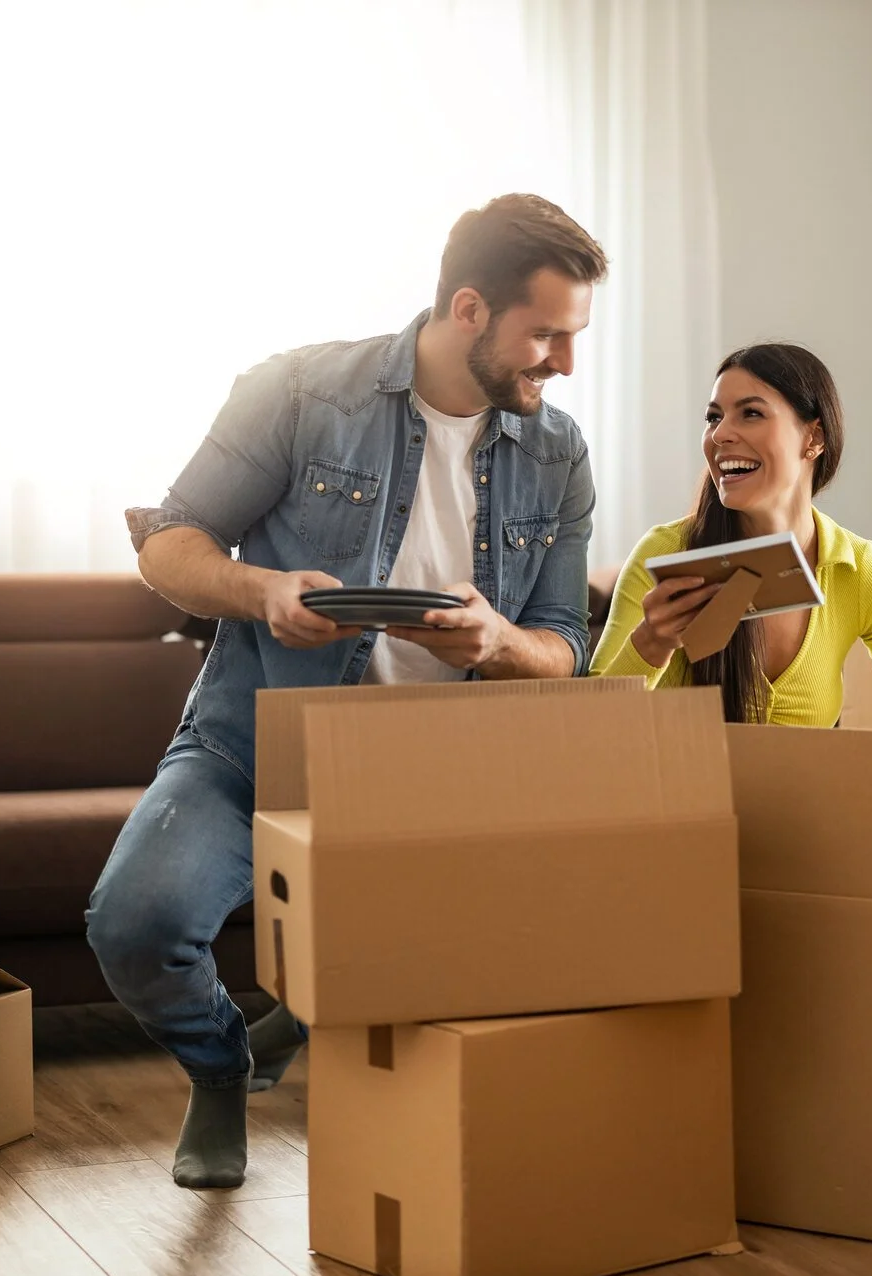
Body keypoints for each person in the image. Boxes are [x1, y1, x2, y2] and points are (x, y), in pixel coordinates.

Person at [88, 194, 607, 1188]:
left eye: (574, 336)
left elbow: (564, 649)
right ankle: (221, 1062)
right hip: (260, 744)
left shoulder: (558, 453)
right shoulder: (298, 393)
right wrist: (265, 590)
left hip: (440, 779)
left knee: (509, 953)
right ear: (468, 309)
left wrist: (496, 638)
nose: (564, 363)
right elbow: (170, 541)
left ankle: (311, 1010)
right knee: (135, 923)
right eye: (546, 335)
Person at [591, 343, 872, 732]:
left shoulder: (857, 572)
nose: (721, 433)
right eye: (713, 417)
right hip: (682, 793)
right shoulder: (664, 553)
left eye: (751, 413)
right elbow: (590, 734)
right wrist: (651, 644)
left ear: (814, 437)